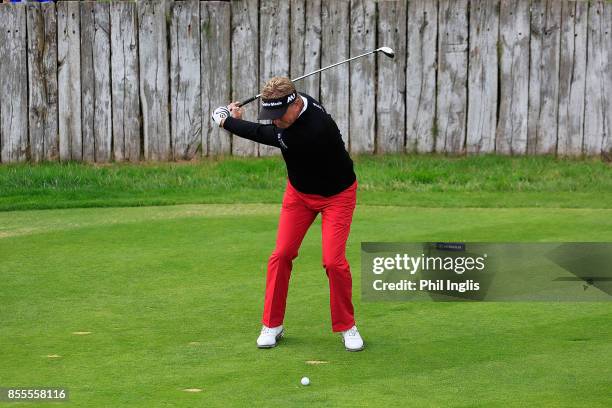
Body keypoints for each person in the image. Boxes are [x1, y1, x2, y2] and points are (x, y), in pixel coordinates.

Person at [211, 77, 364, 352]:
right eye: (270, 114)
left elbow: (261, 135)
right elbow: (271, 117)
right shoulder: (294, 101)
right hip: (300, 195)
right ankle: (272, 324)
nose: (275, 121)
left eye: (279, 115)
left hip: (337, 197)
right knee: (281, 255)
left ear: (295, 105)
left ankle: (346, 326)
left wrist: (226, 121)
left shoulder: (312, 130)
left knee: (333, 261)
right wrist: (236, 115)